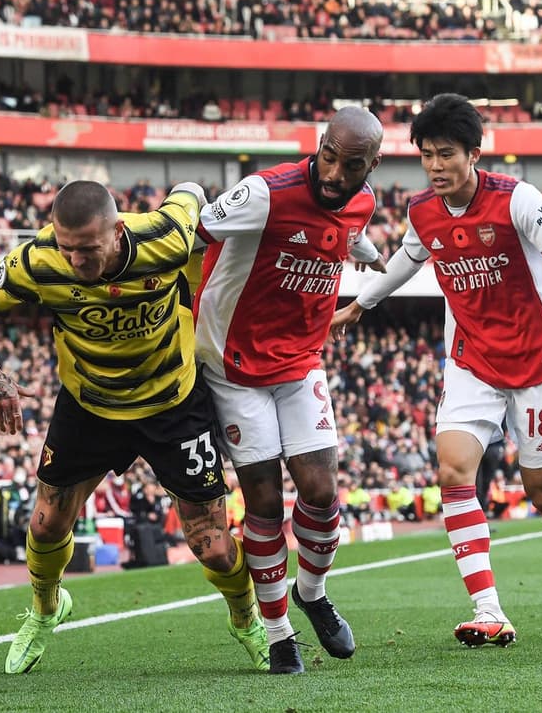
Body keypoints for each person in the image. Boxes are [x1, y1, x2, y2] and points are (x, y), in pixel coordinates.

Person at [0, 179, 269, 675]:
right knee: (47, 522)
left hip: (172, 403)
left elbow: (192, 191)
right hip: (90, 406)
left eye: (88, 249)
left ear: (118, 231)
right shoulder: (38, 258)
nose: (76, 261)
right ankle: (45, 609)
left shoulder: (166, 234)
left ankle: (246, 619)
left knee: (215, 546)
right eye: (67, 248)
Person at [331, 93, 542, 647]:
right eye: (426, 155)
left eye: (445, 154)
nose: (434, 166)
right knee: (453, 469)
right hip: (472, 362)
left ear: (474, 154)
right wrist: (362, 302)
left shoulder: (518, 201)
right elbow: (409, 256)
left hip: (539, 362)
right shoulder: (423, 211)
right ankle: (488, 608)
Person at [191, 105, 384, 672]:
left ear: (370, 166)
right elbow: (193, 232)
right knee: (266, 503)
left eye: (350, 166)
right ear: (319, 145)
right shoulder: (262, 193)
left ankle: (313, 594)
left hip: (302, 362)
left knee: (321, 491)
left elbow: (351, 232)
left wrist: (368, 254)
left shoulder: (363, 201)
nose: (333, 174)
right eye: (328, 156)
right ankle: (278, 636)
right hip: (234, 365)